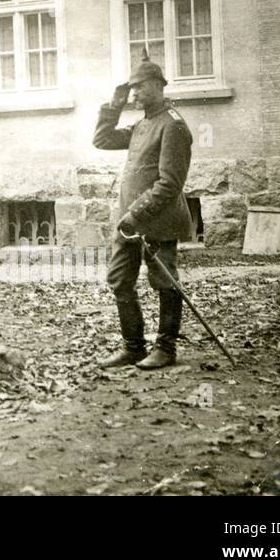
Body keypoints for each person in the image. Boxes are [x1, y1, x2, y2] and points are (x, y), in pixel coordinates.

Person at [93, 58, 194, 370]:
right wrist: (115, 104)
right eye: (131, 87)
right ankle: (134, 347)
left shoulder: (173, 125)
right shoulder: (141, 124)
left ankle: (166, 348)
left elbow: (170, 184)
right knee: (120, 281)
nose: (134, 93)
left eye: (139, 87)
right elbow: (102, 140)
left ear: (158, 86)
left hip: (157, 221)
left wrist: (135, 215)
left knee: (164, 281)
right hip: (130, 224)